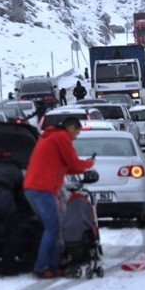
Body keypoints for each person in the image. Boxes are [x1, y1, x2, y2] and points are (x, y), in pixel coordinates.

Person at [24, 117, 94, 278]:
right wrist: (89, 163)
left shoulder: (51, 137)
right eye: (77, 132)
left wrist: (81, 167)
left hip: (34, 187)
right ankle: (42, 266)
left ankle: (55, 265)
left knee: (53, 228)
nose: (76, 136)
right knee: (52, 228)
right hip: (42, 188)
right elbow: (74, 164)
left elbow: (67, 167)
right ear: (70, 127)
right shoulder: (61, 137)